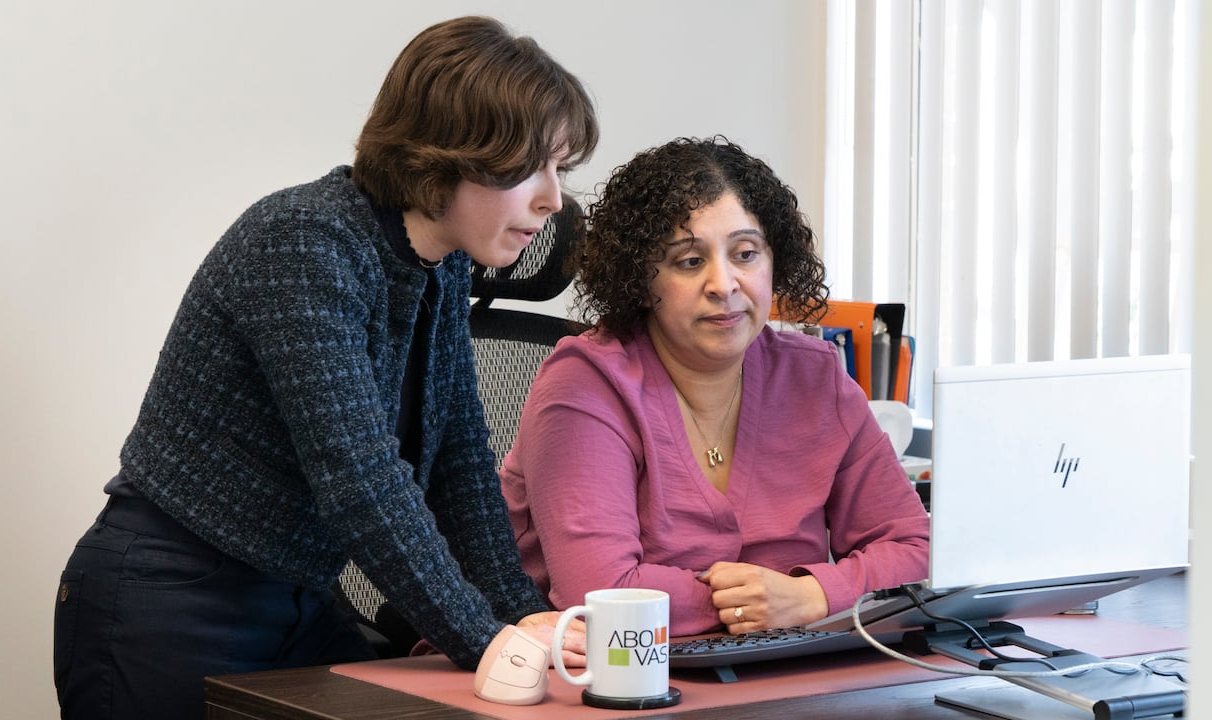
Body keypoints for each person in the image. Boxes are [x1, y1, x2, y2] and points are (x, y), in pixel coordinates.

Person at [53, 16, 598, 720]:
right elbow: (359, 479)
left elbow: (462, 467)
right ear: (449, 154)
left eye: (561, 169)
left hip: (294, 601)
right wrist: (484, 638)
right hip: (168, 602)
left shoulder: (439, 266)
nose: (554, 199)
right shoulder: (305, 244)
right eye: (533, 167)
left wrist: (524, 618)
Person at [500, 136, 928, 637]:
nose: (723, 284)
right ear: (642, 278)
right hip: (575, 680)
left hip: (775, 677)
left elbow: (916, 551)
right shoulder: (586, 385)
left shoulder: (816, 377)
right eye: (689, 261)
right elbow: (602, 593)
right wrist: (763, 606)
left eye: (745, 254)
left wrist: (812, 595)